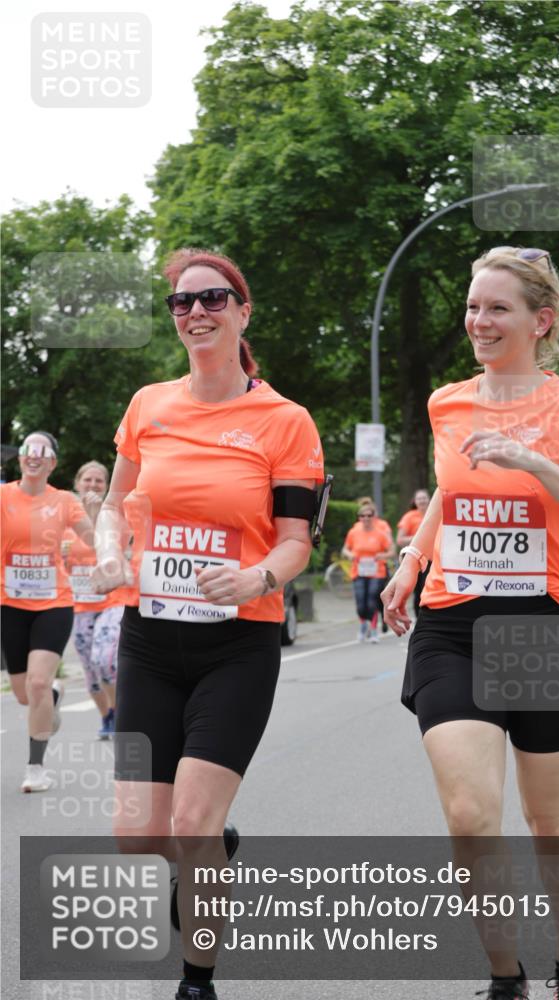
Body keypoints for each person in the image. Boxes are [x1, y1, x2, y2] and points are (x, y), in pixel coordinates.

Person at [382, 246, 559, 1000]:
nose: (479, 321)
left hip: (547, 625)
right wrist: (412, 558)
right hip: (453, 624)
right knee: (469, 814)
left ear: (540, 321)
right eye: (472, 306)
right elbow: (449, 490)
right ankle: (504, 976)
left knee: (550, 821)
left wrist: (536, 463)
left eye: (497, 308)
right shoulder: (446, 403)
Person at [91, 248, 324, 1000]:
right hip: (150, 638)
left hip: (238, 644)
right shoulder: (148, 406)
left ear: (242, 311)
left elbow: (295, 541)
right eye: (182, 302)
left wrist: (259, 577)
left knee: (189, 824)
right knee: (138, 836)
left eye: (213, 299)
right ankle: (213, 848)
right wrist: (107, 551)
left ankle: (197, 980)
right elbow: (113, 505)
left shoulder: (285, 422)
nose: (196, 312)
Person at [1, 431, 93, 792]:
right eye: (28, 449)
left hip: (54, 602)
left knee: (37, 682)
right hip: (10, 605)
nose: (34, 455)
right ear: (20, 457)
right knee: (25, 694)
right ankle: (51, 697)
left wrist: (109, 547)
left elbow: (92, 537)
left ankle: (35, 768)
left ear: (53, 462)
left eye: (42, 450)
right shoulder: (4, 496)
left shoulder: (65, 501)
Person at [64, 461, 138, 738]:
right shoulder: (65, 522)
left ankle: (120, 713)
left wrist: (96, 517)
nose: (93, 485)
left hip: (112, 602)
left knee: (105, 659)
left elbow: (121, 552)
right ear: (77, 483)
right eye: (87, 480)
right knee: (91, 670)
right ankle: (107, 714)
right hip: (81, 606)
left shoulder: (115, 517)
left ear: (107, 486)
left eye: (99, 481)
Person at [342, 499, 395, 642]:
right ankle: (363, 624)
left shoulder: (380, 533)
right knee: (360, 603)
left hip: (376, 572)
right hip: (358, 571)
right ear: (359, 518)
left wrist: (382, 555)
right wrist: (350, 555)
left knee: (372, 599)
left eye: (369, 515)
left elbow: (392, 551)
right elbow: (345, 549)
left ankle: (373, 630)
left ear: (373, 517)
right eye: (362, 516)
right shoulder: (353, 532)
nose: (365, 518)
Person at [397, 488, 431, 613]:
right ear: (415, 501)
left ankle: (428, 613)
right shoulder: (409, 517)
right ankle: (418, 615)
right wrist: (418, 537)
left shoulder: (435, 513)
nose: (422, 501)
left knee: (429, 587)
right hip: (416, 559)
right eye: (419, 499)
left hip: (433, 558)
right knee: (418, 590)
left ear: (429, 499)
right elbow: (400, 540)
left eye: (424, 498)